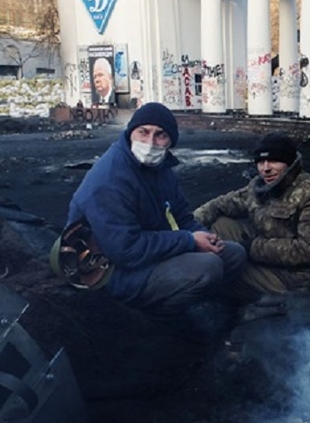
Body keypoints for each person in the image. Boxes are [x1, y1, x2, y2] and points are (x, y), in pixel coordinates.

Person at [65, 102, 247, 319]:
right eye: (143, 132)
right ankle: (157, 320)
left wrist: (204, 237)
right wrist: (189, 241)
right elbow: (125, 251)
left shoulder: (160, 168)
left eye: (160, 135)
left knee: (233, 254)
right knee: (208, 267)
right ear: (130, 132)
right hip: (108, 271)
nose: (150, 142)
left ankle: (198, 303)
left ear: (171, 140)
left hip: (148, 253)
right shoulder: (110, 179)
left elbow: (181, 216)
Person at [194, 133, 310, 312]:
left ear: (289, 163)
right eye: (261, 162)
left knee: (222, 273)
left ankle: (227, 311)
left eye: (274, 161)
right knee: (220, 224)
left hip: (299, 277)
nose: (266, 168)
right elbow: (221, 205)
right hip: (268, 258)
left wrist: (251, 249)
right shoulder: (260, 187)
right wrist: (188, 229)